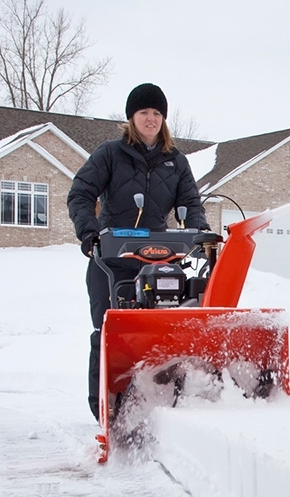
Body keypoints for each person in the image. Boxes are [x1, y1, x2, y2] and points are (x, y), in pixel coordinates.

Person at [67, 83, 208, 420]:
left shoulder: (175, 161)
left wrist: (199, 233)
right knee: (108, 330)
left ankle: (171, 396)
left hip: (160, 260)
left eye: (157, 113)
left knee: (168, 330)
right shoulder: (109, 154)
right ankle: (107, 411)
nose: (150, 118)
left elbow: (190, 202)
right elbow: (80, 194)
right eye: (144, 112)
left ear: (164, 119)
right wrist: (90, 234)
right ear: (131, 117)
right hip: (112, 260)